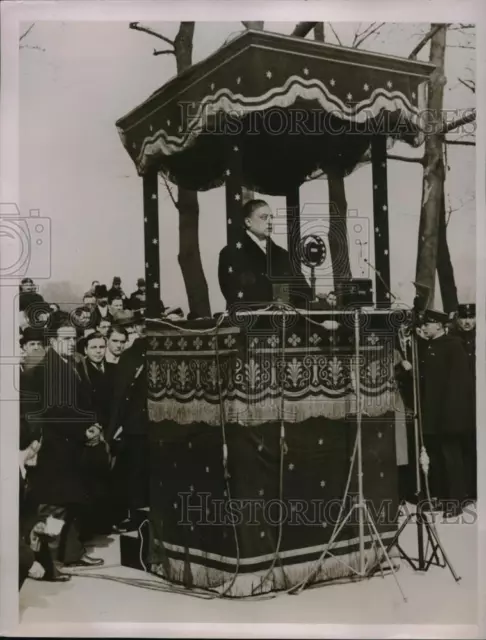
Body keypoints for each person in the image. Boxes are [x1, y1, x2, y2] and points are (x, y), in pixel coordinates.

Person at [21, 316, 105, 570]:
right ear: (52, 341)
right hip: (55, 446)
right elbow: (56, 411)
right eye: (65, 339)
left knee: (70, 501)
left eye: (73, 339)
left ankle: (69, 552)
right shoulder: (48, 369)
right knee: (55, 505)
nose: (71, 344)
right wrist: (85, 431)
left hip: (69, 444)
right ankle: (47, 558)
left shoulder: (68, 363)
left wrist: (92, 426)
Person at [416, 309, 475, 516]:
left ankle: (456, 502)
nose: (423, 328)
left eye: (427, 324)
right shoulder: (429, 346)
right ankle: (442, 498)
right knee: (438, 459)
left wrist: (452, 417)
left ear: (439, 326)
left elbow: (459, 385)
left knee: (452, 458)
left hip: (449, 415)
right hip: (432, 414)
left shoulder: (453, 346)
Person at [218, 199, 314, 308]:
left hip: (285, 320)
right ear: (248, 222)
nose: (270, 222)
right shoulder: (231, 253)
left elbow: (303, 292)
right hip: (250, 321)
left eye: (271, 217)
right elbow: (233, 295)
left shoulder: (283, 255)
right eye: (264, 217)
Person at [107, 328, 149, 532]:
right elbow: (121, 396)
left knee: (139, 473)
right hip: (134, 427)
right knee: (134, 473)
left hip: (143, 425)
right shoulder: (132, 356)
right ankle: (134, 516)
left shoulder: (138, 354)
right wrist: (116, 427)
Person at [450, 303, 476, 501]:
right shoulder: (453, 340)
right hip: (461, 400)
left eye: (471, 317)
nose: (468, 322)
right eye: (464, 318)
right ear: (457, 319)